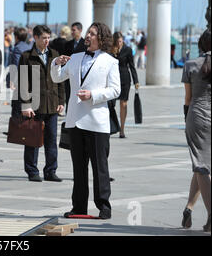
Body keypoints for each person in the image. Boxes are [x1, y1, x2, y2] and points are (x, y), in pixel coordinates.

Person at [51, 22, 120, 219]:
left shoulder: (110, 61)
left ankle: (104, 205)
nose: (88, 36)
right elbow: (58, 78)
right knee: (78, 167)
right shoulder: (75, 58)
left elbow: (116, 90)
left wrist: (93, 95)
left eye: (92, 33)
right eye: (88, 33)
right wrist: (56, 64)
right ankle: (79, 207)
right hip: (75, 120)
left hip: (97, 122)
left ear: (101, 38)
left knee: (100, 167)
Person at [19, 25, 65, 182]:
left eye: (48, 38)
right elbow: (23, 83)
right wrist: (26, 104)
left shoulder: (55, 55)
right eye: (44, 38)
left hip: (51, 104)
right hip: (34, 105)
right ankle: (32, 171)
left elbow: (59, 80)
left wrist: (61, 100)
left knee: (51, 140)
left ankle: (51, 171)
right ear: (35, 37)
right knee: (32, 139)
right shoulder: (26, 57)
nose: (47, 41)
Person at [181, 29, 211, 233]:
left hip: (197, 116)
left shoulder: (191, 65)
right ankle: (189, 207)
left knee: (201, 164)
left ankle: (211, 214)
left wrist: (186, 119)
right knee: (201, 165)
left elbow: (188, 99)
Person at [113, 32, 139, 138]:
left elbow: (132, 66)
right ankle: (111, 126)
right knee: (111, 105)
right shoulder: (110, 49)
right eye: (117, 42)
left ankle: (122, 129)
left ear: (123, 40)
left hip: (125, 79)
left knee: (123, 104)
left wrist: (136, 81)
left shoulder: (128, 50)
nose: (119, 43)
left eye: (120, 41)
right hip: (112, 80)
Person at [60, 22, 86, 110]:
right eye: (71, 30)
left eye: (74, 30)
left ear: (80, 30)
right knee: (68, 96)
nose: (72, 32)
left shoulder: (85, 44)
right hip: (69, 75)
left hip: (80, 75)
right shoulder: (67, 44)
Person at [9, 27, 33, 117]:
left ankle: (16, 128)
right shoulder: (29, 47)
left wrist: (12, 81)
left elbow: (16, 66)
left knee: (16, 106)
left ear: (16, 37)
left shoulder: (17, 48)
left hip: (20, 81)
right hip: (29, 80)